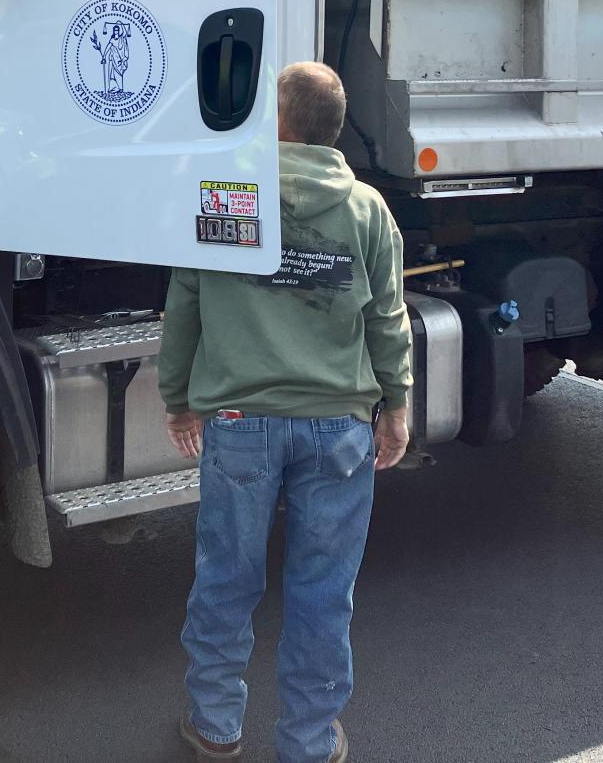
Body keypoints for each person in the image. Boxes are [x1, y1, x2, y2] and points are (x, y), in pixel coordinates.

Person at [158, 61, 413, 763]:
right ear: (329, 130)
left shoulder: (226, 195)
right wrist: (396, 407)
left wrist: (178, 397)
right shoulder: (367, 209)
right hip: (338, 427)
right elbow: (388, 321)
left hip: (240, 424)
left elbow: (186, 303)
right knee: (323, 589)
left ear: (279, 123)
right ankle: (306, 740)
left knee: (227, 577)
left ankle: (215, 724)